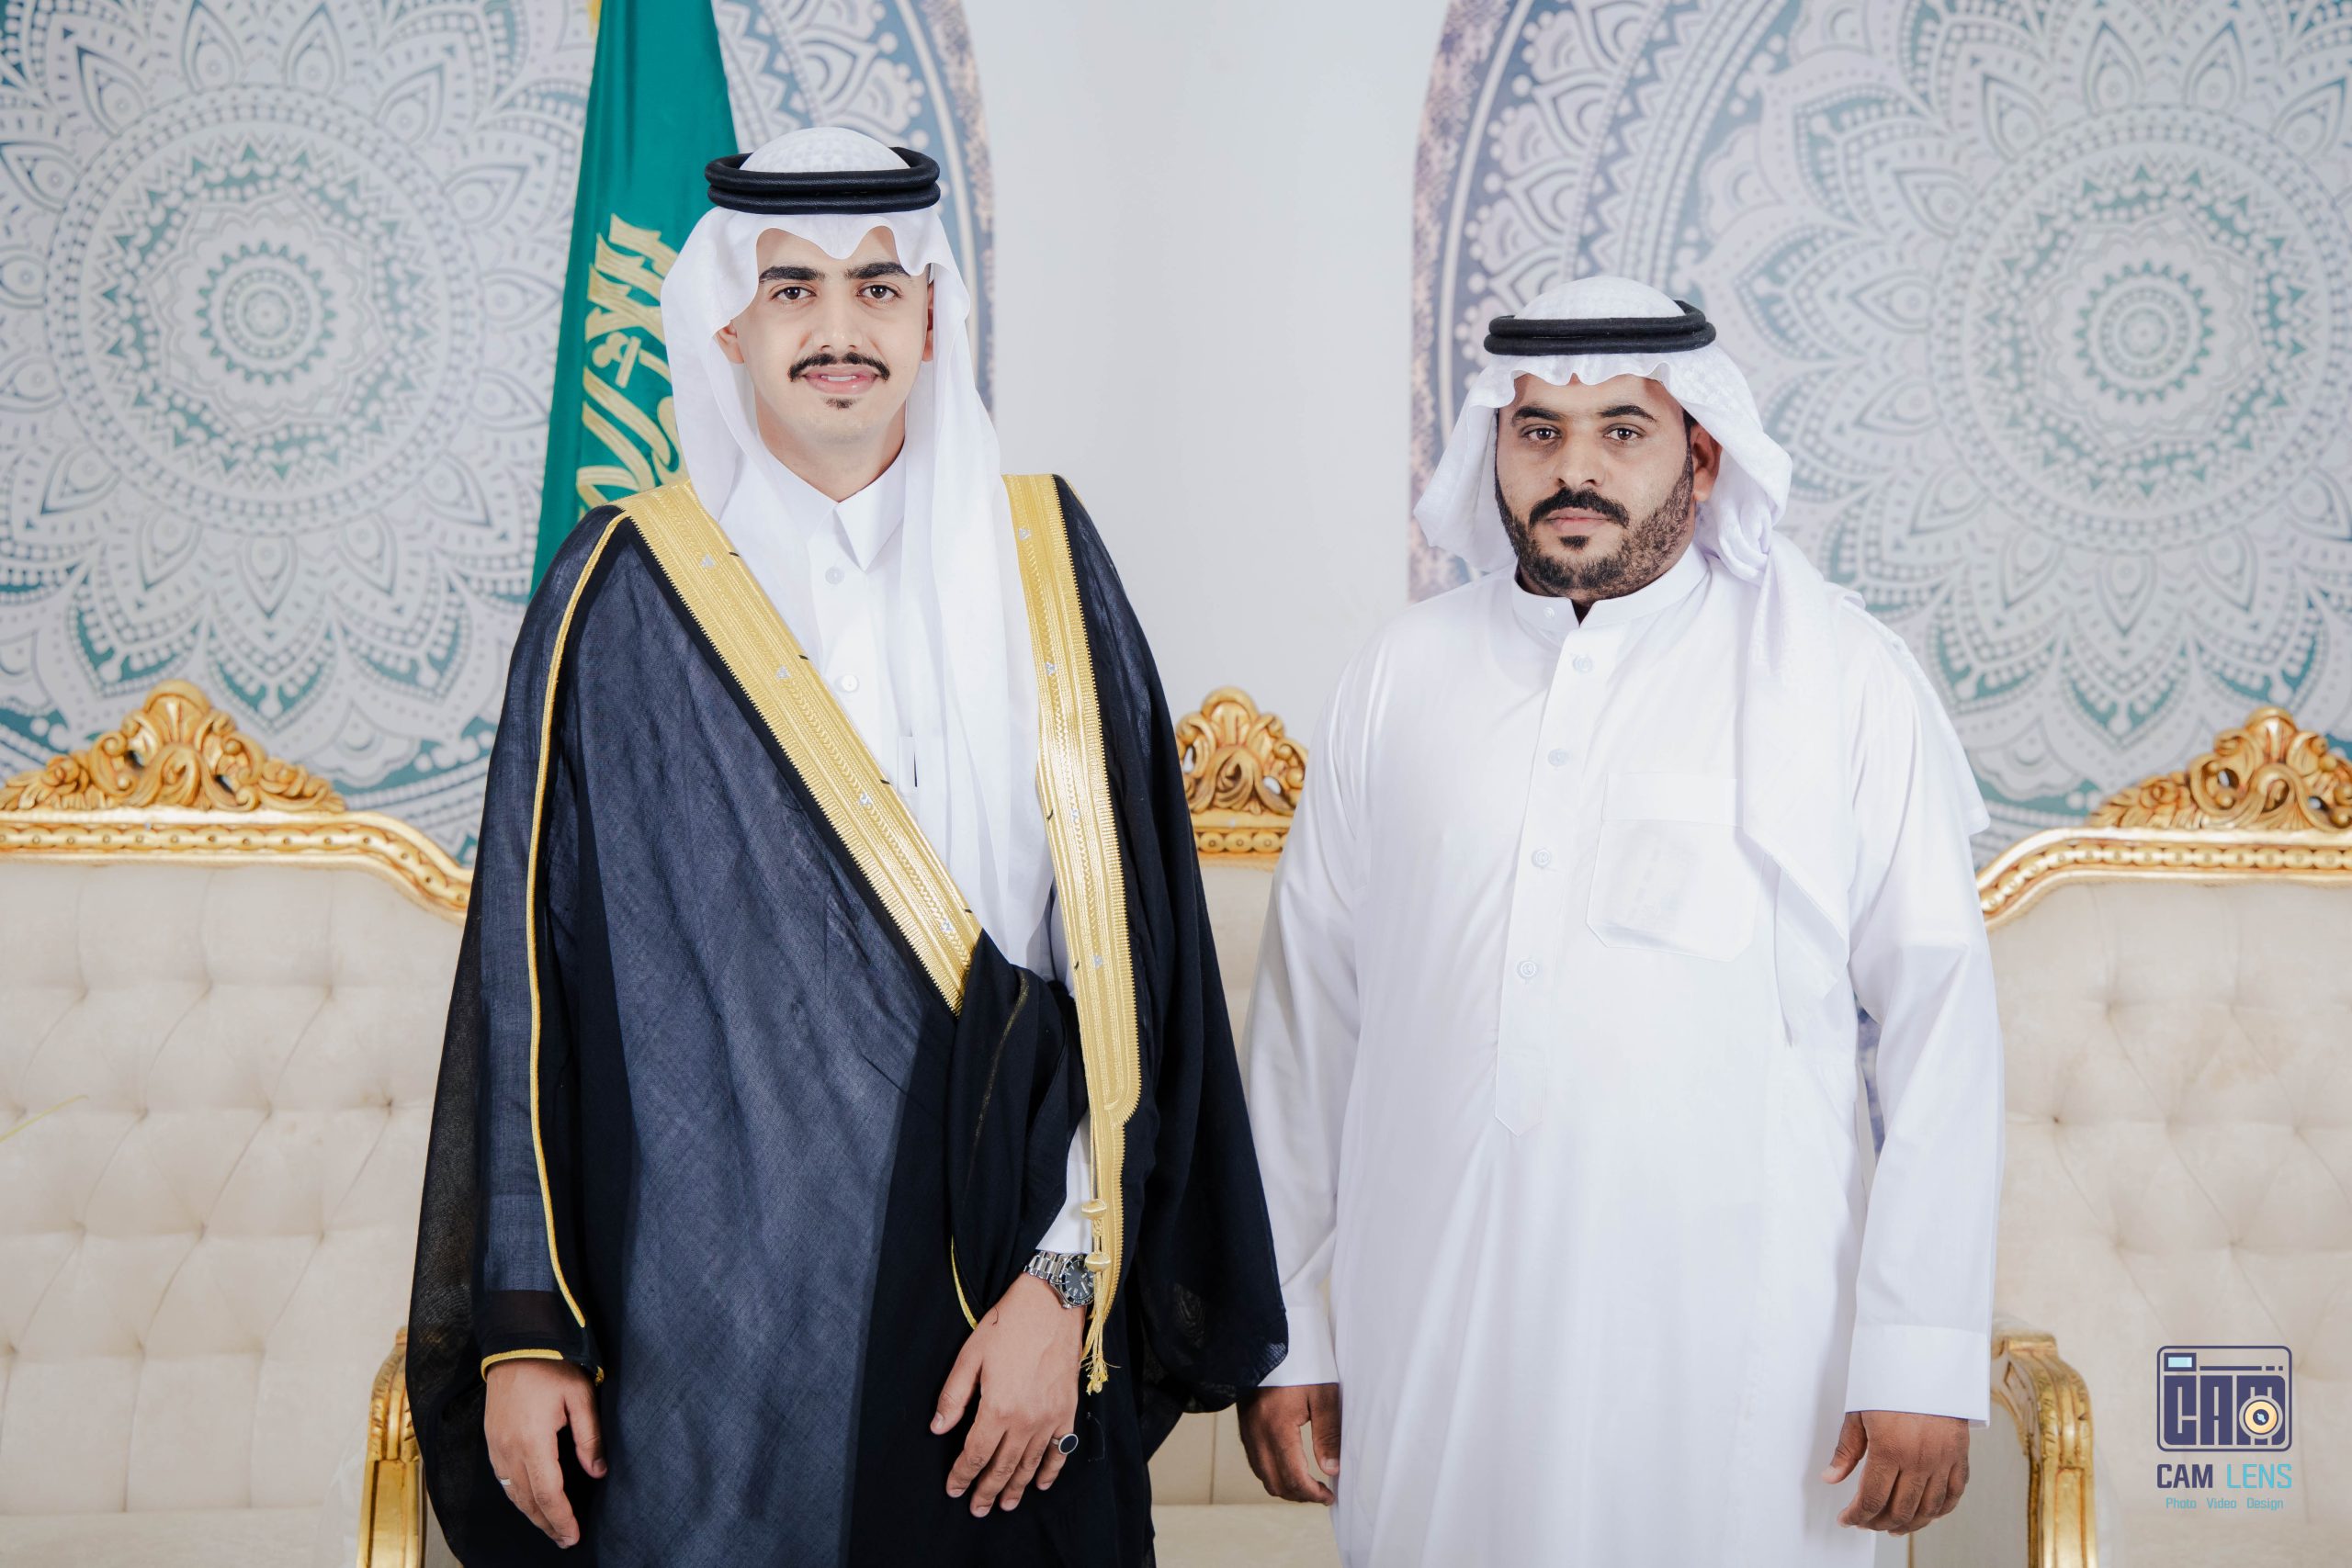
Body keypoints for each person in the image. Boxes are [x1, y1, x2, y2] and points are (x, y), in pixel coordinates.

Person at [408, 127, 1285, 1568]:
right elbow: (530, 983)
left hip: (1006, 1318)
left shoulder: (1046, 564)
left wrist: (1065, 1286)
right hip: (706, 1339)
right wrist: (527, 1332)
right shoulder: (620, 593)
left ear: (932, 319)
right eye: (794, 290)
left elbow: (1138, 984)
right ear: (731, 326)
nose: (839, 330)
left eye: (879, 287)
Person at [1236, 276, 2003, 1564]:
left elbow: (1941, 1025)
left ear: (1702, 456)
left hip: (1743, 1357)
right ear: (1495, 445)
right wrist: (1290, 1332)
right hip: (1431, 1330)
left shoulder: (1836, 679)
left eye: (1622, 431)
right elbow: (1308, 1032)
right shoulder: (1400, 676)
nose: (1573, 470)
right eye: (1538, 430)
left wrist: (1921, 1348)